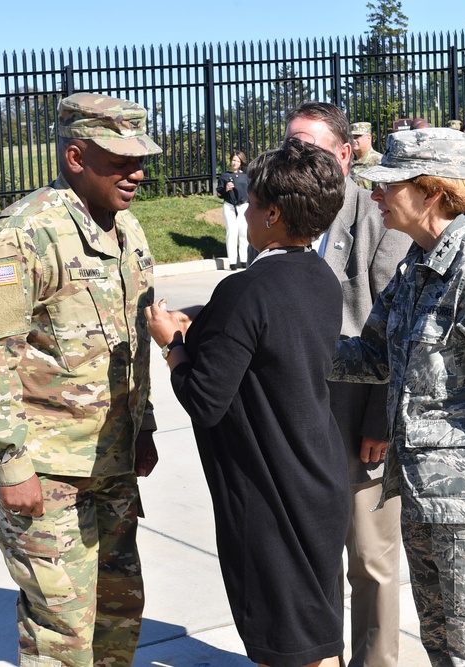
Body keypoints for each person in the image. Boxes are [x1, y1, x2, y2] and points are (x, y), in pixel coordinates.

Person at [330, 127, 465, 667]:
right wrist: (282, 336)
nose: (377, 195)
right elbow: (373, 357)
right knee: (443, 649)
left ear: (431, 191)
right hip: (425, 498)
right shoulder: (417, 266)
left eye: (390, 185)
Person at [0, 92, 161, 667]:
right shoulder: (20, 237)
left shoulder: (129, 233)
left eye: (140, 160)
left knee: (118, 617)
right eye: (120, 162)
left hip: (110, 461)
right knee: (62, 633)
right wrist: (8, 463)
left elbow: (131, 345)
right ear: (76, 157)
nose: (136, 173)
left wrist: (142, 429)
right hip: (44, 473)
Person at [145, 138, 349, 667]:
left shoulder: (246, 289)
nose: (246, 212)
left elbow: (205, 399)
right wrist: (205, 326)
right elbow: (267, 342)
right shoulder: (320, 277)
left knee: (289, 647)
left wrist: (172, 344)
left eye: (252, 203)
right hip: (317, 477)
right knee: (316, 637)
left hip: (269, 491)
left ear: (274, 214)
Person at [285, 101, 410, 667]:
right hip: (296, 415)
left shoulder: (378, 219)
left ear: (342, 154)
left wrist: (380, 418)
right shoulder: (279, 215)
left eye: (310, 146)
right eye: (290, 144)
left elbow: (393, 330)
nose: (297, 156)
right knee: (308, 558)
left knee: (370, 558)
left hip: (357, 415)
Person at [217, 150, 251, 269]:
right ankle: (232, 262)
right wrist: (225, 189)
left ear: (241, 162)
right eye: (233, 160)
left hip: (243, 206)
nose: (235, 163)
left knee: (243, 233)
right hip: (229, 206)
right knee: (231, 232)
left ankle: (244, 260)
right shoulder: (224, 176)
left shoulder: (246, 177)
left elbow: (250, 192)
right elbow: (219, 194)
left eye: (237, 161)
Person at [351, 121, 383, 190]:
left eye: (357, 137)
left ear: (369, 138)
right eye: (351, 137)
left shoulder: (379, 161)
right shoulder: (349, 162)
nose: (353, 140)